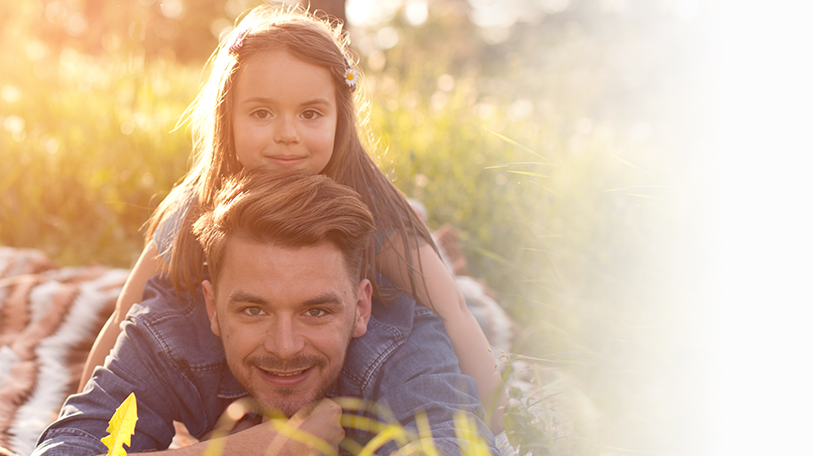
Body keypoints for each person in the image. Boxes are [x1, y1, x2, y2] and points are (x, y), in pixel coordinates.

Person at [77, 4, 506, 431]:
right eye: (262, 113)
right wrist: (77, 405)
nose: (287, 134)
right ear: (229, 116)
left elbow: (454, 311)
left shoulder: (376, 209)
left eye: (310, 114)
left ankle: (421, 216)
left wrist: (502, 423)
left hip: (349, 327)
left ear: (340, 118)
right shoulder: (198, 204)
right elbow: (124, 313)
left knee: (434, 274)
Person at [37, 169, 495, 455]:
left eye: (316, 312)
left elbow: (453, 444)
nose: (285, 347)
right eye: (254, 310)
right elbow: (68, 449)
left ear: (360, 308)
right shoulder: (171, 335)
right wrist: (259, 448)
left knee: (451, 284)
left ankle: (423, 223)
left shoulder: (401, 341)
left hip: (392, 251)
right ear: (212, 308)